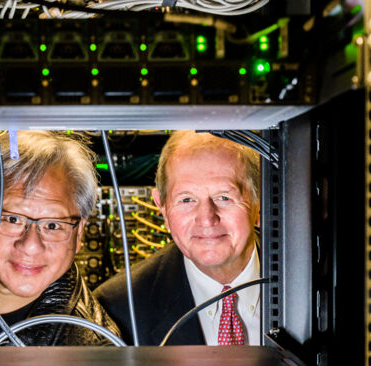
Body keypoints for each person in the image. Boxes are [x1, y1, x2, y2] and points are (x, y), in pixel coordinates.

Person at [0, 131, 121, 346]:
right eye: (12, 219)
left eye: (52, 225)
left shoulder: (94, 351)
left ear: (79, 232)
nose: (31, 246)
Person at [94, 131, 261, 346]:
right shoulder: (117, 309)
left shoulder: (312, 291)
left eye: (224, 197)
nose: (207, 219)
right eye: (187, 199)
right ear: (162, 208)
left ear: (260, 201)